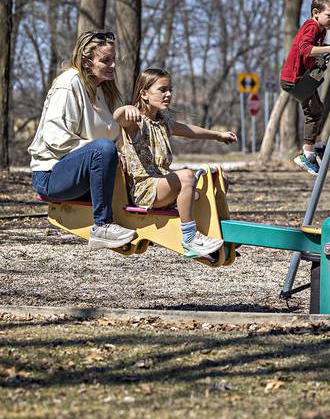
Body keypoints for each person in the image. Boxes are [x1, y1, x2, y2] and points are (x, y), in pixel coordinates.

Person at [29, 31, 137, 250]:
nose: (113, 65)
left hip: (86, 174)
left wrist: (124, 153)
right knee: (103, 148)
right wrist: (106, 152)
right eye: (105, 60)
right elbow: (55, 139)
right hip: (51, 175)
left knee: (115, 154)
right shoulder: (68, 83)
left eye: (114, 59)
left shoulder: (105, 90)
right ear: (87, 61)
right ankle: (102, 226)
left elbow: (115, 136)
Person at [114, 68, 238, 258]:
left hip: (164, 184)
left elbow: (189, 130)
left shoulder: (163, 122)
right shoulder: (135, 121)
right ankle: (189, 238)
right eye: (162, 90)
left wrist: (218, 136)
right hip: (147, 191)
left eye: (170, 89)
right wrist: (126, 109)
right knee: (187, 175)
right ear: (144, 94)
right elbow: (118, 117)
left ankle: (219, 233)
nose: (168, 94)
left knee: (217, 178)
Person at [280, 0, 330, 175]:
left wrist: (329, 49)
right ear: (316, 12)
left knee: (317, 109)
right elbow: (305, 50)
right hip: (294, 79)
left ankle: (316, 146)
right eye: (329, 16)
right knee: (312, 112)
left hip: (301, 78)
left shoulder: (321, 30)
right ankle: (306, 154)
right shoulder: (312, 26)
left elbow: (312, 54)